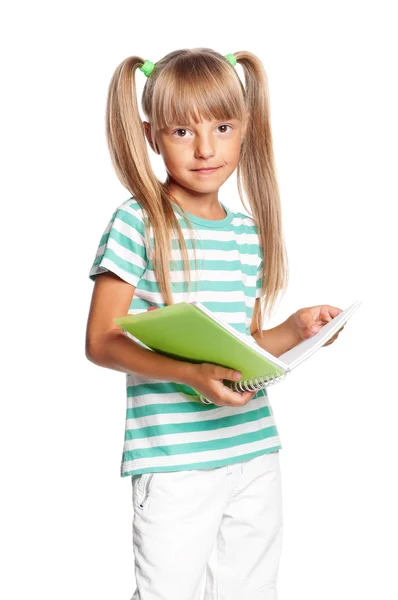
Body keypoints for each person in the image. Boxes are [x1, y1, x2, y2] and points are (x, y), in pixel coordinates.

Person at [85, 48, 343, 600]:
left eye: (223, 127)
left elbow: (243, 346)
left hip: (252, 451)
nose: (206, 148)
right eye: (182, 131)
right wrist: (188, 374)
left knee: (251, 590)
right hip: (176, 461)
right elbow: (102, 340)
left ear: (244, 128)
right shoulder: (139, 221)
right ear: (153, 136)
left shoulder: (247, 232)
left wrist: (297, 330)